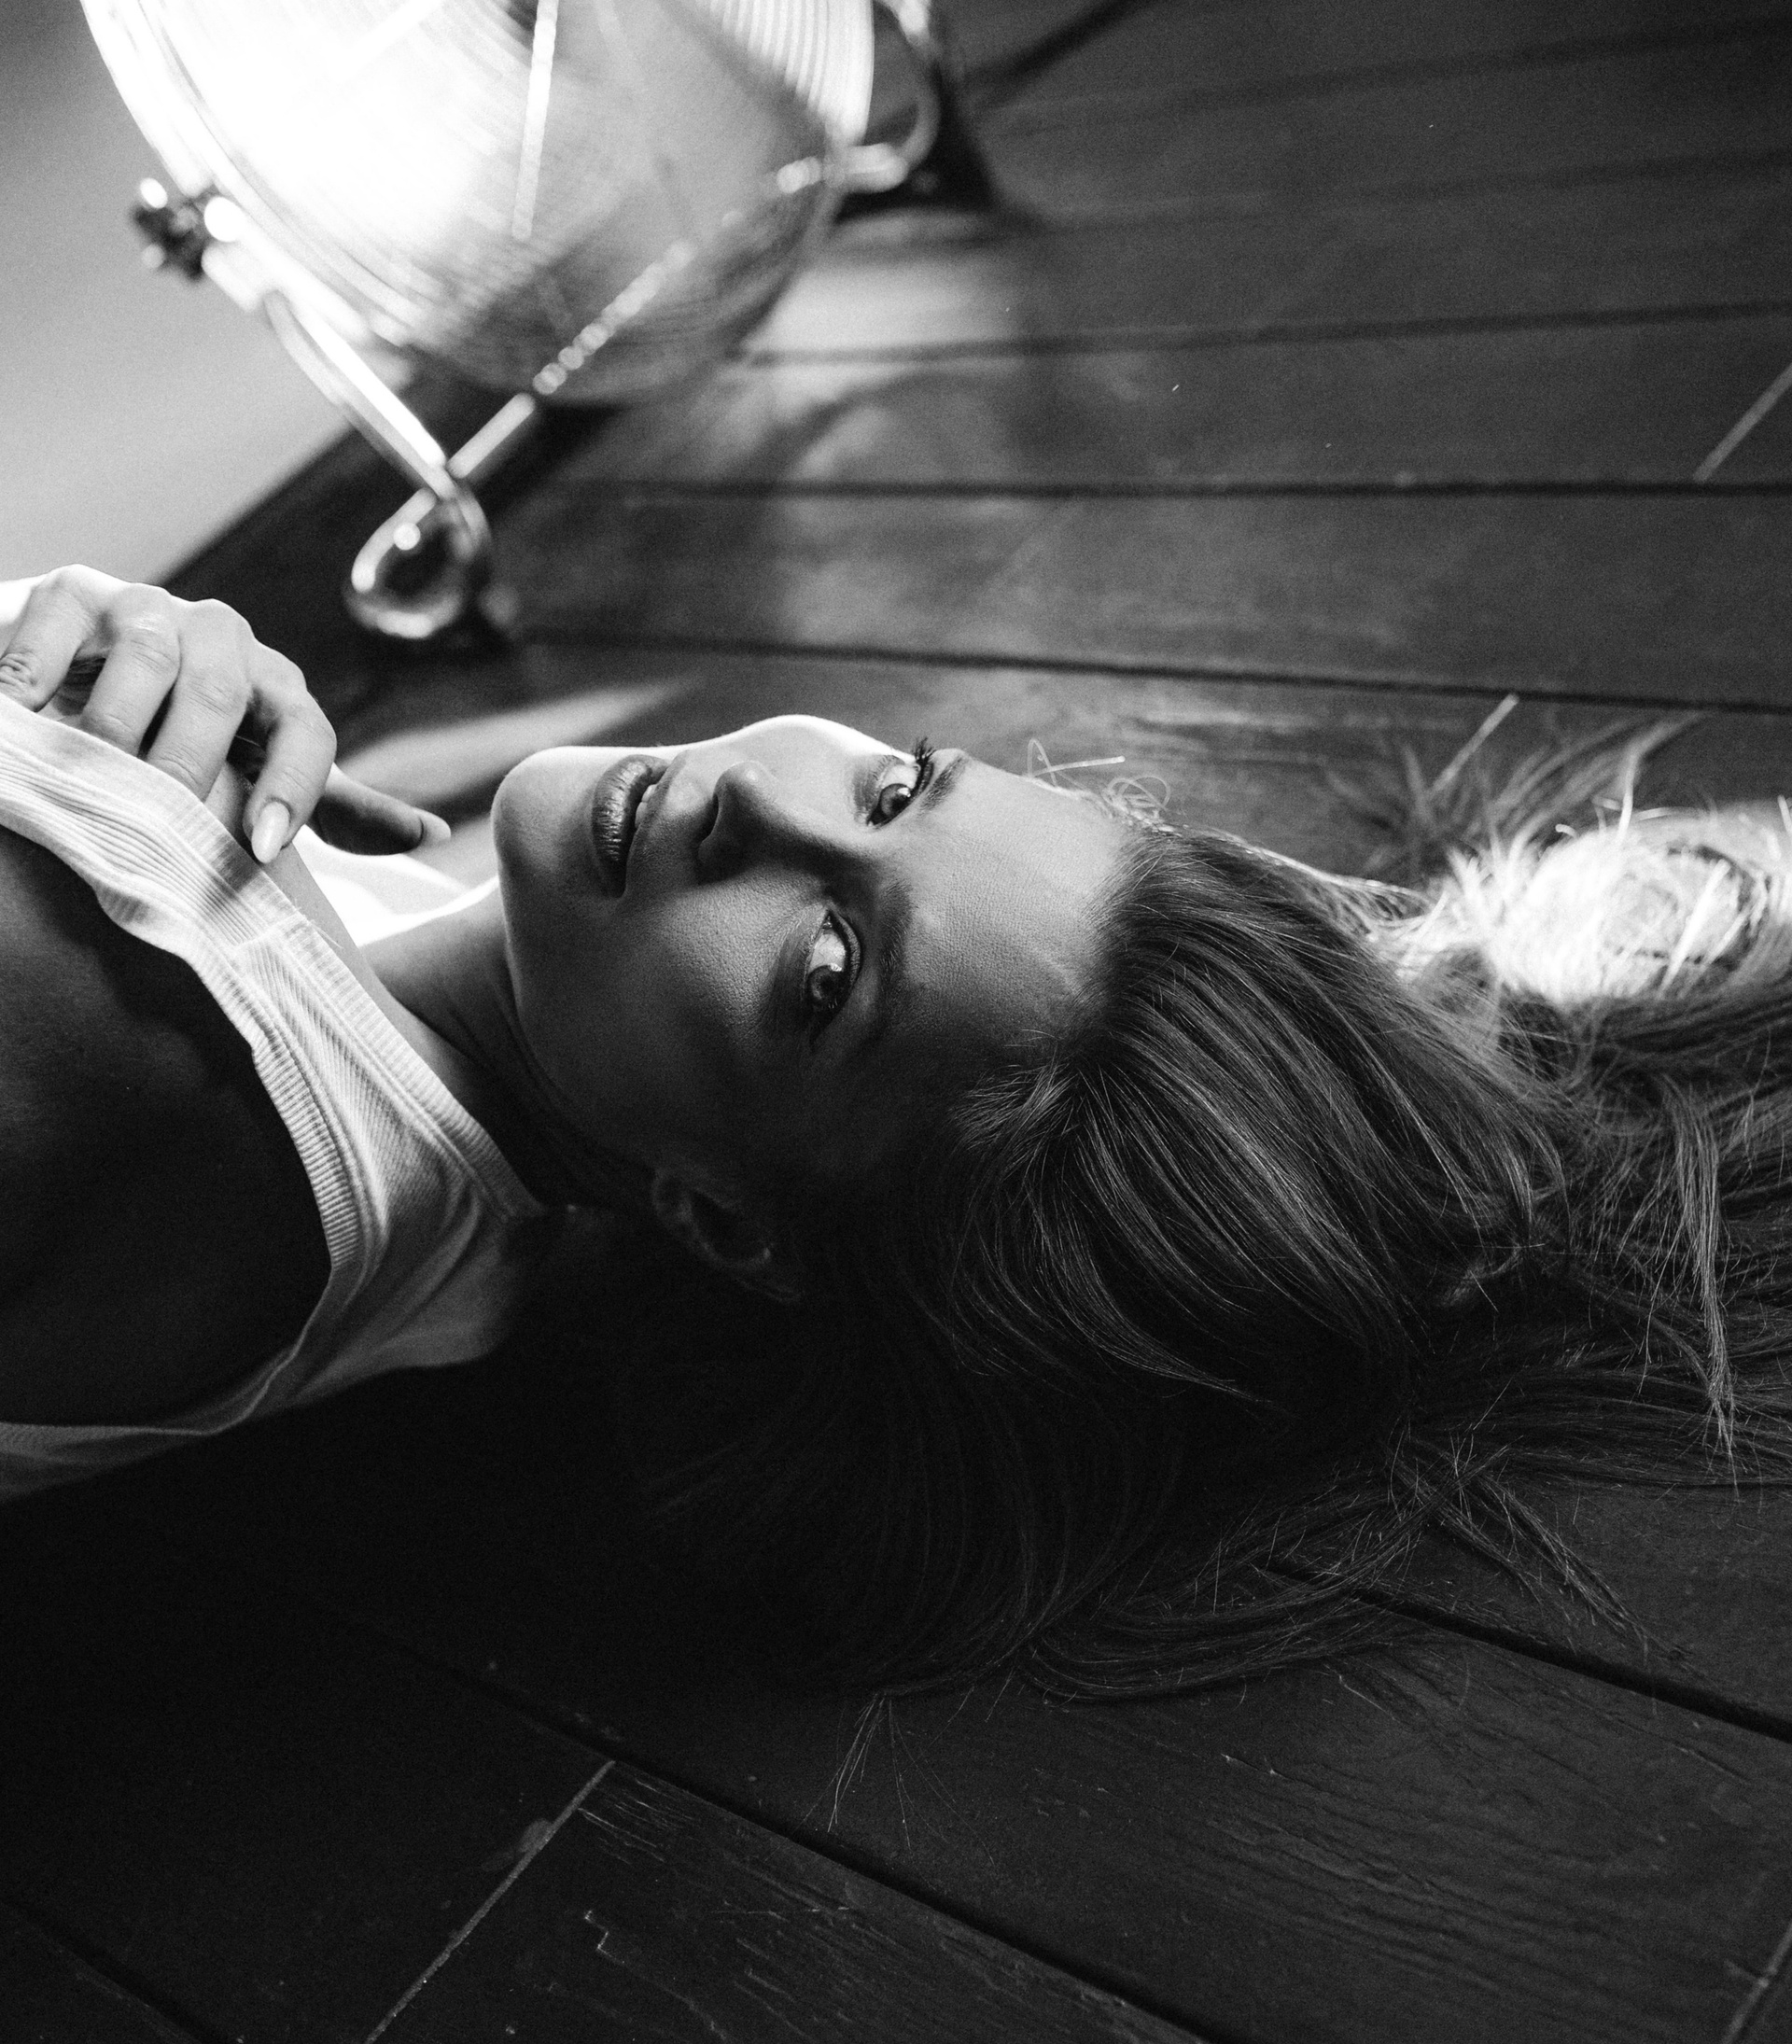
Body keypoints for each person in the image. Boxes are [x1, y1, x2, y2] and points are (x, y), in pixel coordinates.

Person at [3, 565, 1790, 1698]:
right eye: (897, 787)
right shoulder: (479, 1210)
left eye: (827, 968)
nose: (756, 800)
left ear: (727, 1223)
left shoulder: (101, 1027)